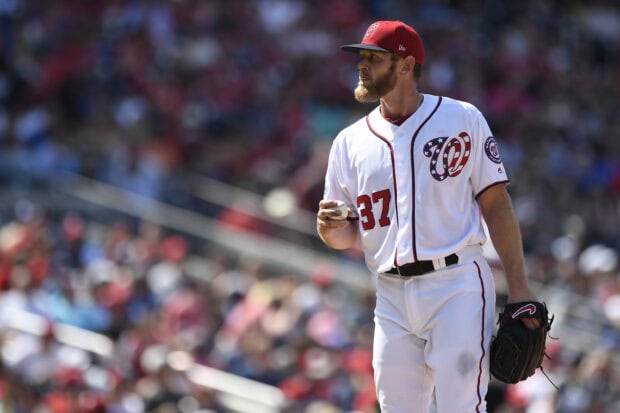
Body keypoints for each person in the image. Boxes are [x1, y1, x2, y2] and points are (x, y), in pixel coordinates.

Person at [316, 20, 540, 412]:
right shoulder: (348, 143)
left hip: (456, 285)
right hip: (390, 294)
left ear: (405, 65)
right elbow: (345, 235)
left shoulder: (461, 119)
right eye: (361, 57)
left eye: (373, 57)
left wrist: (519, 286)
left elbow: (497, 204)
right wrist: (330, 231)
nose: (362, 66)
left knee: (460, 407)